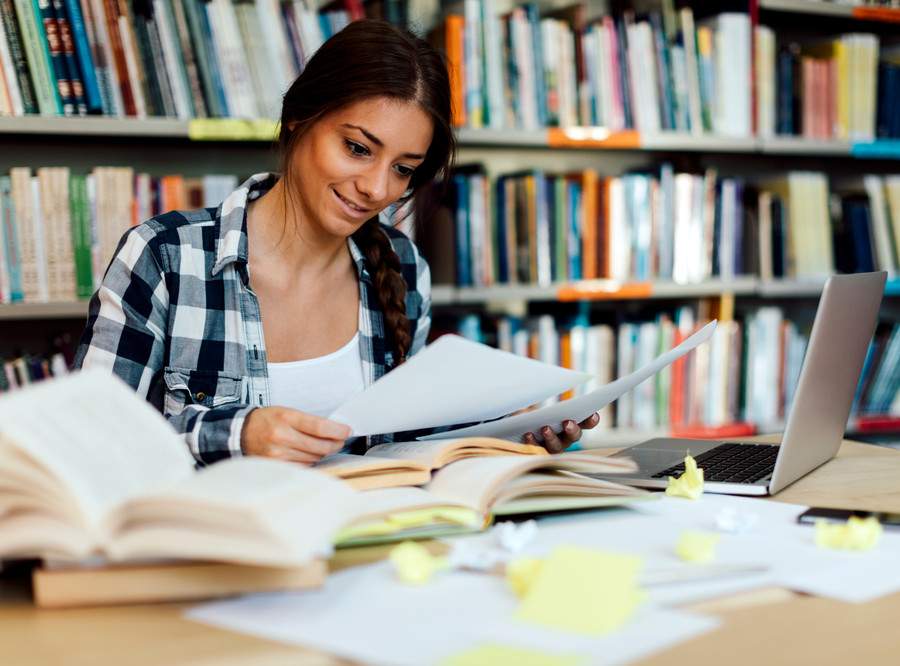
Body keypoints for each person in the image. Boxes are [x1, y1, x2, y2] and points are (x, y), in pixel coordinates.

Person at [74, 19, 597, 466]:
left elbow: (404, 455)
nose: (376, 188)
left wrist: (512, 439)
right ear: (300, 117)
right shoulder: (165, 257)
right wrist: (239, 434)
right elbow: (84, 448)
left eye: (403, 169)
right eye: (356, 148)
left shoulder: (404, 268)